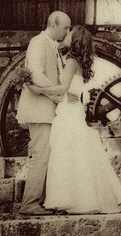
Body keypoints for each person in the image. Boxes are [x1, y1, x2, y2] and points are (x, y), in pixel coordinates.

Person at [24, 26, 121, 214]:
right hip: (73, 109)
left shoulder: (72, 61)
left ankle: (69, 200)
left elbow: (62, 88)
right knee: (75, 154)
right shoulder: (79, 63)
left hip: (67, 112)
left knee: (64, 154)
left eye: (70, 32)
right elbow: (71, 90)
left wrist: (38, 89)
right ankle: (79, 198)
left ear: (75, 40)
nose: (67, 34)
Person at [15, 11, 72, 215]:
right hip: (39, 110)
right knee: (40, 155)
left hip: (47, 111)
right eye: (65, 27)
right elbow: (36, 74)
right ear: (52, 24)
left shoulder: (53, 46)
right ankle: (29, 203)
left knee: (47, 156)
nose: (68, 31)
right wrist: (59, 96)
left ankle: (44, 201)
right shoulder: (38, 43)